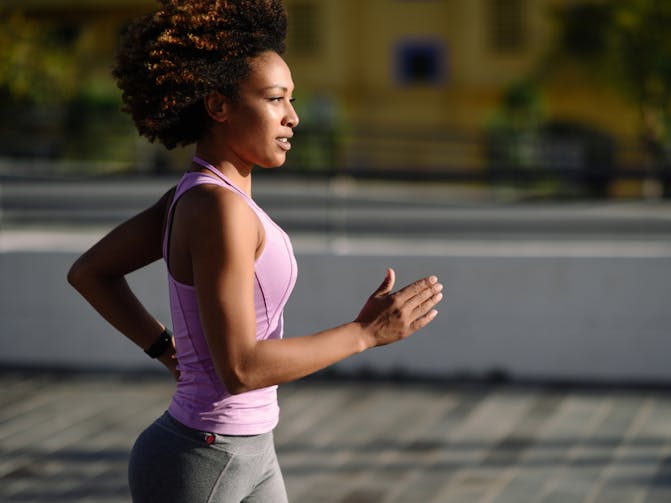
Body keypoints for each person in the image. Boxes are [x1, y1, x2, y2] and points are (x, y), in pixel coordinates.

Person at [66, 1, 444, 502]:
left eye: (291, 99)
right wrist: (364, 334)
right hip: (202, 460)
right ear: (219, 106)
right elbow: (241, 368)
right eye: (275, 99)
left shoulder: (203, 195)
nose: (293, 116)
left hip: (249, 450)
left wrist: (167, 350)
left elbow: (91, 272)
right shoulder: (215, 206)